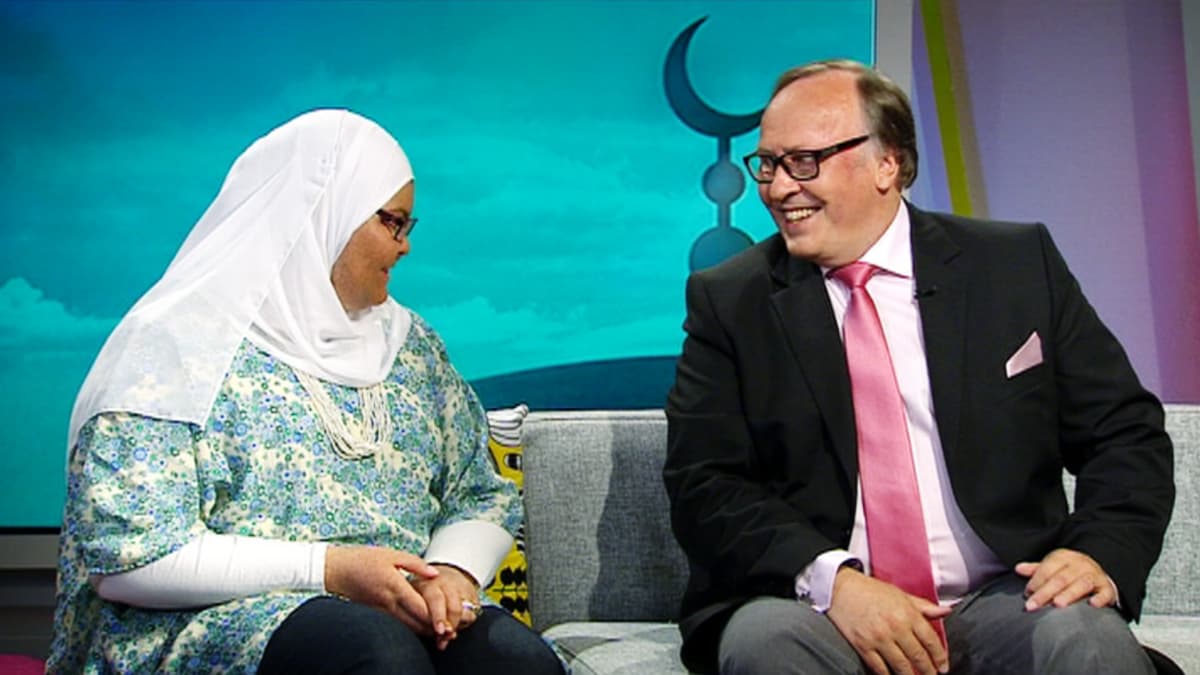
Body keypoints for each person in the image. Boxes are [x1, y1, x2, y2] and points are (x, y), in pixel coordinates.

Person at [663, 59, 1175, 675]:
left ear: (887, 163)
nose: (778, 188)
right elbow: (705, 482)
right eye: (769, 164)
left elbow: (1125, 432)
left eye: (804, 162)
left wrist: (1098, 553)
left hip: (1004, 594)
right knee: (766, 646)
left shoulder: (1014, 266)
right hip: (818, 607)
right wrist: (834, 582)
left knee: (1088, 642)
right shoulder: (731, 301)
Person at [48, 109, 565, 675]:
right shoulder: (177, 346)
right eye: (393, 223)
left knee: (517, 663)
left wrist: (452, 572)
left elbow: (479, 492)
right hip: (218, 617)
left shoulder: (411, 346)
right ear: (323, 212)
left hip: (399, 605)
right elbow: (130, 558)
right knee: (378, 657)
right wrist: (331, 569)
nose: (404, 247)